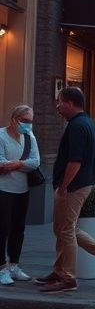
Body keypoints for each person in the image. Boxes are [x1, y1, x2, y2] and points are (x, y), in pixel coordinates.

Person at [36, 86, 95, 293]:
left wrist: (64, 186)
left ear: (70, 103)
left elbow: (75, 161)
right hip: (81, 184)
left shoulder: (76, 127)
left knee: (66, 230)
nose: (57, 107)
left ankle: (68, 277)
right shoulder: (87, 123)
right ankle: (65, 268)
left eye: (59, 102)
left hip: (73, 187)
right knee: (64, 229)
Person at [0, 105, 40, 285]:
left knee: (18, 229)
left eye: (30, 122)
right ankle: (2, 268)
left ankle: (14, 265)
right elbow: (1, 164)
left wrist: (13, 164)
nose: (28, 125)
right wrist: (22, 164)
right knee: (2, 229)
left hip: (22, 190)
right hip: (3, 190)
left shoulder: (30, 137)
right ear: (14, 119)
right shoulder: (1, 136)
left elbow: (36, 162)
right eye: (25, 121)